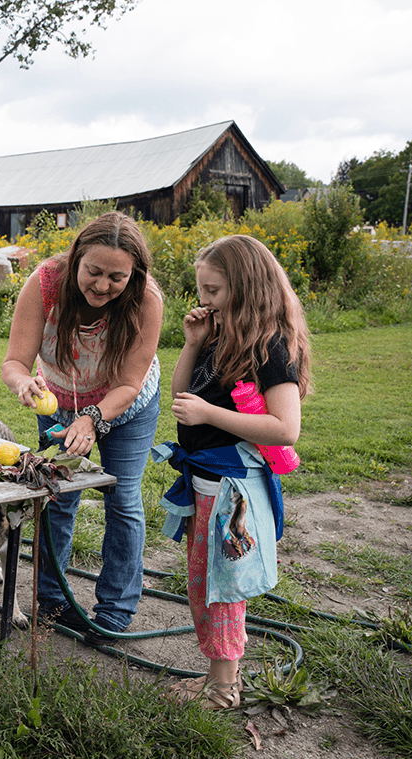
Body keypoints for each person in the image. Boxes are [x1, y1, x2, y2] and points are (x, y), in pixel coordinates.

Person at [154, 234, 311, 710]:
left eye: (214, 290)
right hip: (206, 485)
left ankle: (223, 689)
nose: (204, 300)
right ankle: (216, 678)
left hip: (233, 490)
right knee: (203, 581)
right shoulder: (220, 337)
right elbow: (183, 399)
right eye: (200, 289)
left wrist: (210, 415)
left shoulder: (269, 349)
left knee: (223, 587)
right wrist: (192, 344)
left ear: (247, 288)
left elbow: (285, 428)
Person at [1, 211, 164, 641]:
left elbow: (129, 383)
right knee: (55, 494)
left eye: (117, 277)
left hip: (125, 406)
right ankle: (52, 601)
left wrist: (92, 420)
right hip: (58, 401)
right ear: (76, 260)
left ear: (134, 274)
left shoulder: (147, 300)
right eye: (93, 271)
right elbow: (15, 362)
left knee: (122, 497)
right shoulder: (45, 283)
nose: (102, 286)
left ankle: (114, 612)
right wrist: (23, 383)